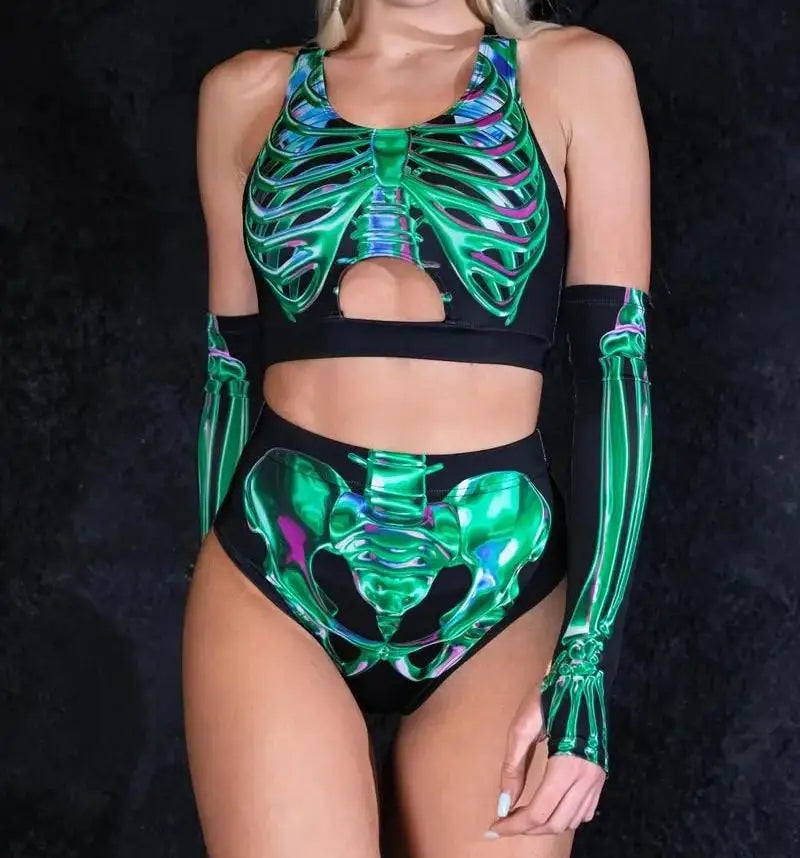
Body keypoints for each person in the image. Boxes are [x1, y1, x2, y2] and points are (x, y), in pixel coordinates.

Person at [181, 0, 652, 855]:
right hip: (275, 567)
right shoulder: (244, 95)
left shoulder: (572, 75)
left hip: (499, 580)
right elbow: (228, 372)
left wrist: (586, 660)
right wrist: (215, 628)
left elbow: (615, 368)